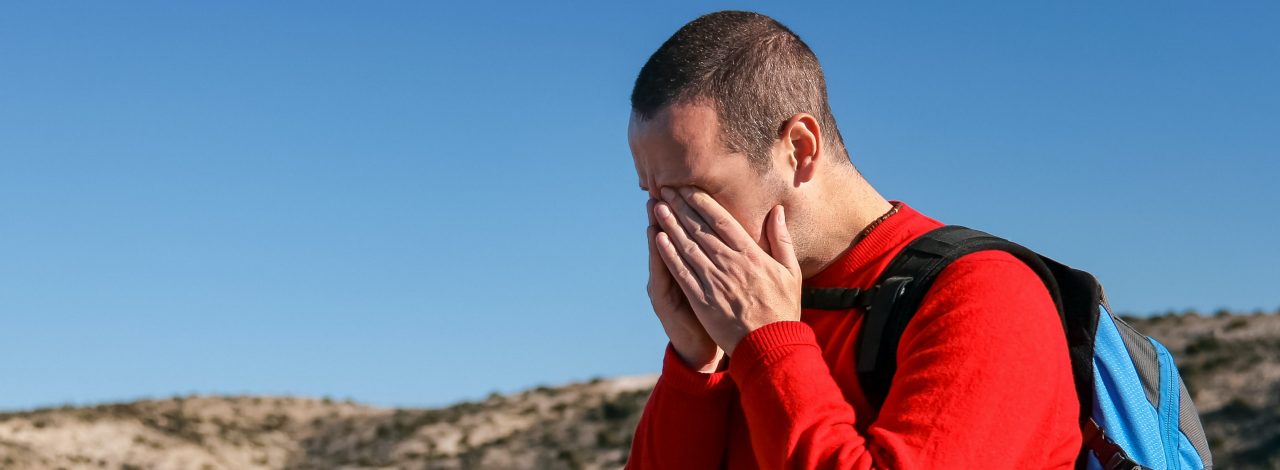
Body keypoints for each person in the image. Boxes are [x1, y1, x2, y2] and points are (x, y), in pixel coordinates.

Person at [625, 10, 1081, 469]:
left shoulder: (985, 295)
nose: (669, 227)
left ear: (800, 149)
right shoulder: (732, 328)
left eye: (694, 195)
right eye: (654, 197)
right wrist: (694, 366)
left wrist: (769, 342)